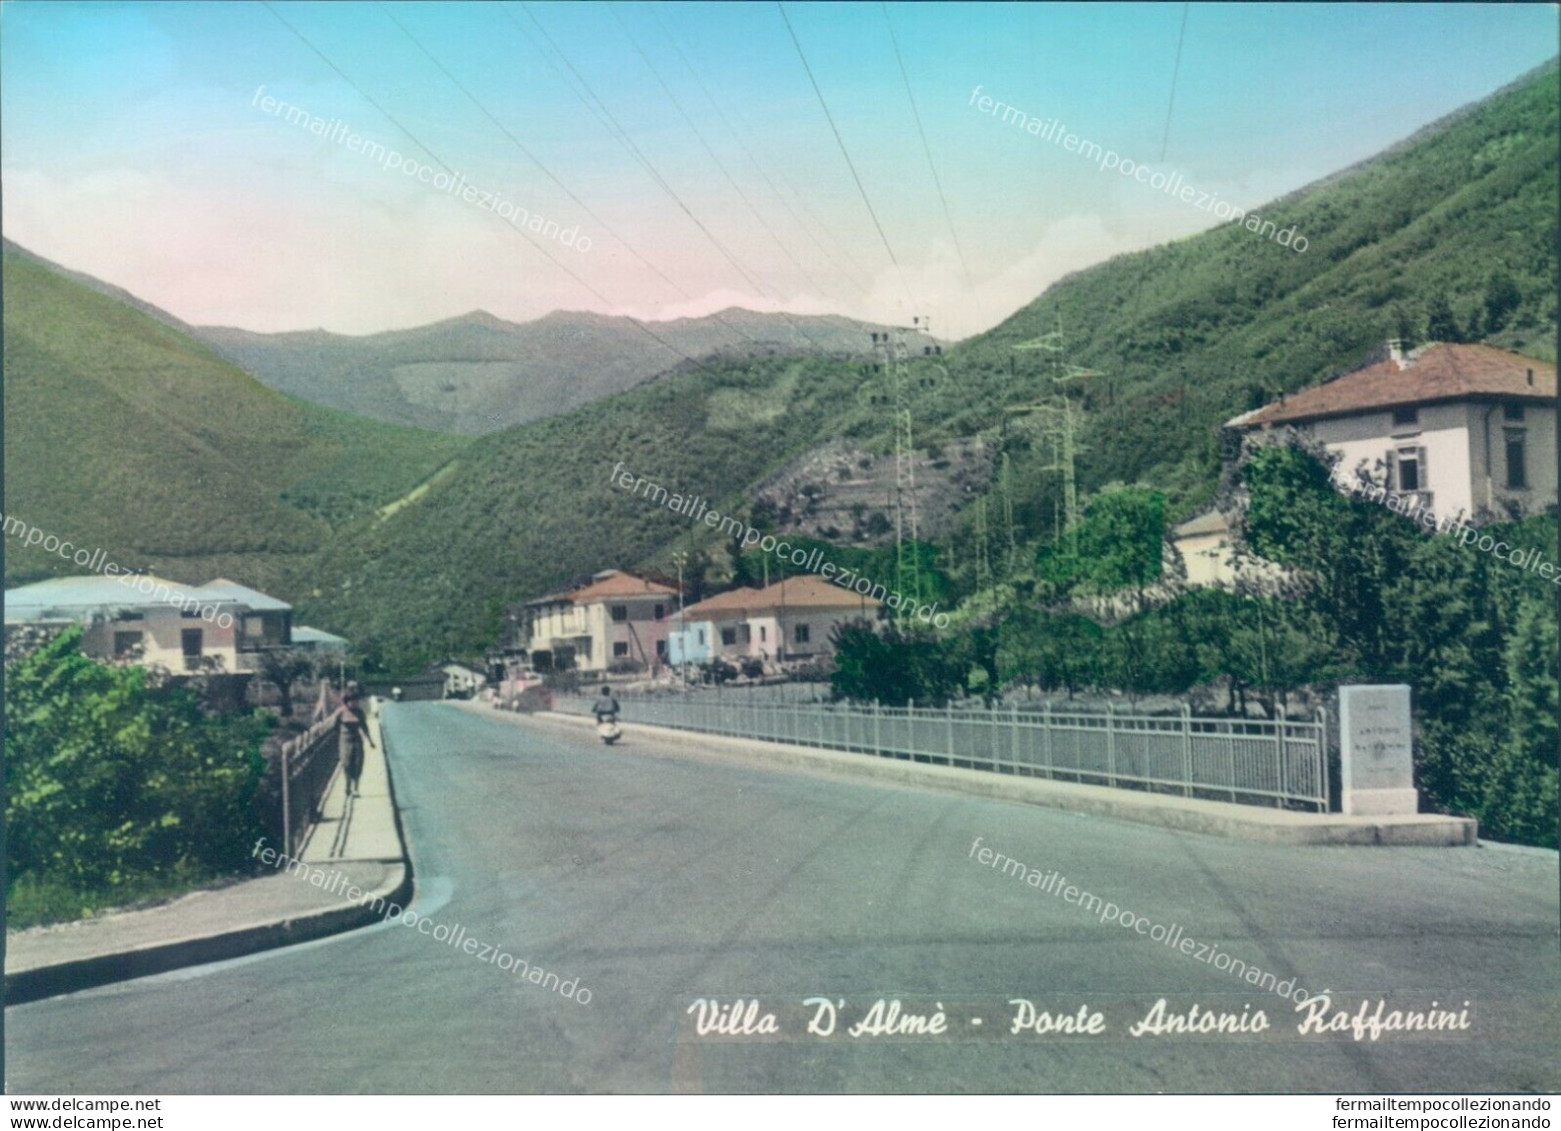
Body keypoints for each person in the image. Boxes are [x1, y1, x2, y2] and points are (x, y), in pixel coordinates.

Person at [339, 683, 375, 796]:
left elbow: (364, 727)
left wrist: (370, 741)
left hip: (357, 740)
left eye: (356, 701)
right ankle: (348, 783)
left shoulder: (359, 712)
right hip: (345, 741)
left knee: (358, 764)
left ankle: (356, 788)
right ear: (347, 701)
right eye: (352, 701)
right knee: (346, 763)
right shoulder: (341, 712)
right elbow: (333, 726)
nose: (355, 703)